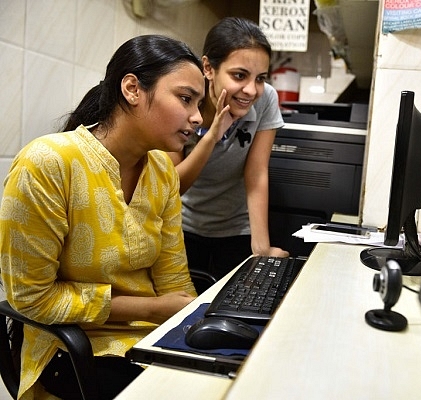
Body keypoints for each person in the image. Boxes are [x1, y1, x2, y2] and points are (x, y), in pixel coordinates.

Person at [0, 35, 204, 400]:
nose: (198, 117)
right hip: (72, 349)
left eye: (199, 103)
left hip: (150, 339)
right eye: (186, 99)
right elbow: (32, 300)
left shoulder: (162, 171)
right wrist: (154, 308)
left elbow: (176, 281)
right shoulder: (48, 163)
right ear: (132, 89)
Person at [169, 17, 289, 281]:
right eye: (239, 75)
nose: (251, 90)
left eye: (260, 78)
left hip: (238, 229)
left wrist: (261, 250)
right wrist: (212, 136)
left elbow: (256, 173)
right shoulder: (186, 102)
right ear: (209, 68)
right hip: (183, 227)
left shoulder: (266, 98)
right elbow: (172, 186)